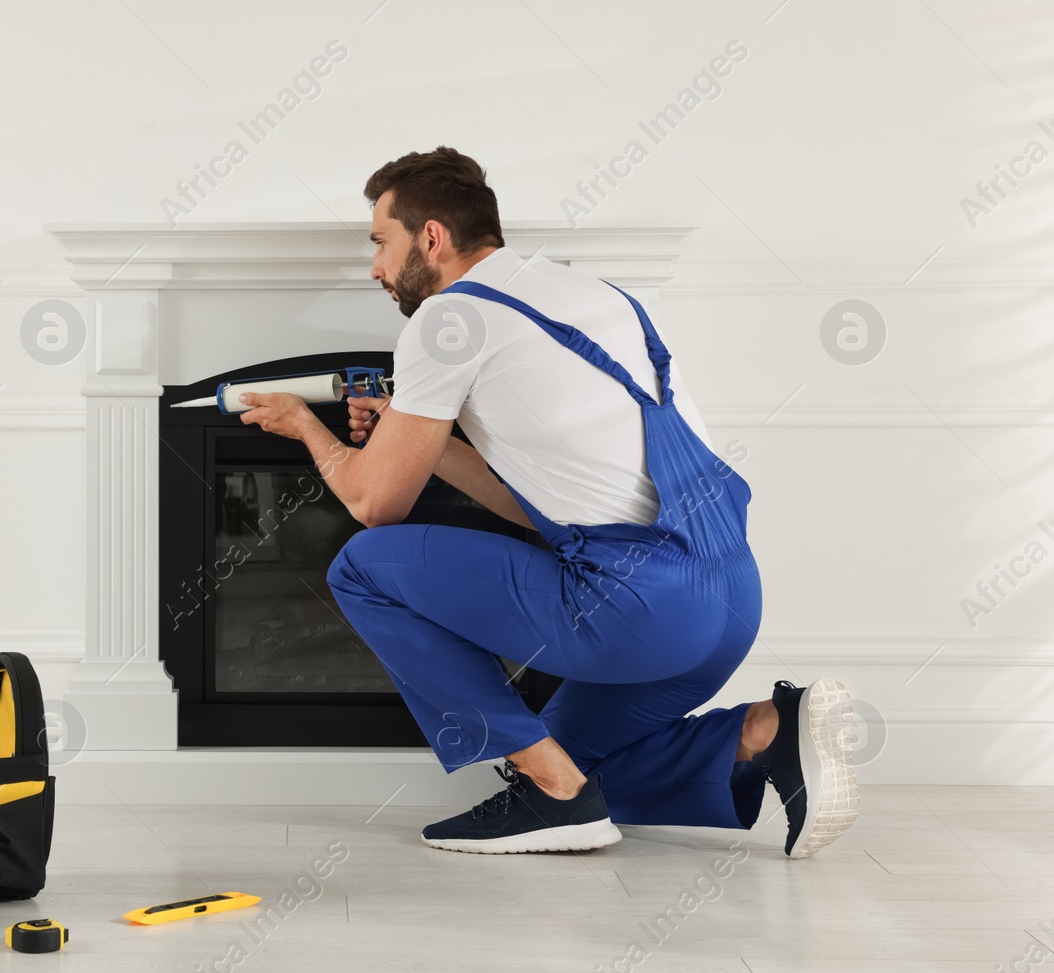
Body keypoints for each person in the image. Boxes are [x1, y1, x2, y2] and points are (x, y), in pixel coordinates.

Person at [235, 147, 858, 858]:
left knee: (362, 566)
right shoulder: (600, 296)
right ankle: (765, 731)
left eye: (381, 242)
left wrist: (305, 427)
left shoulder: (446, 322)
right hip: (730, 598)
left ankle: (556, 793)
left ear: (431, 237)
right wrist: (424, 440)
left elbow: (375, 504)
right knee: (572, 766)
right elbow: (539, 505)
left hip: (636, 606)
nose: (375, 267)